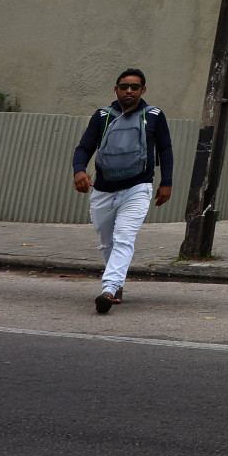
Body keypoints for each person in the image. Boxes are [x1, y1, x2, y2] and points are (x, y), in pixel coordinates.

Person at [72, 68, 173, 315]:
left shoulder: (155, 116)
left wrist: (166, 182)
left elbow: (166, 150)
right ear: (115, 89)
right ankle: (116, 283)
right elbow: (84, 147)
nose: (129, 91)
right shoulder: (102, 116)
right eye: (124, 86)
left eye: (135, 87)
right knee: (107, 241)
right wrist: (79, 170)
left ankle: (109, 288)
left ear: (143, 90)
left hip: (138, 188)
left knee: (124, 237)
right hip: (103, 189)